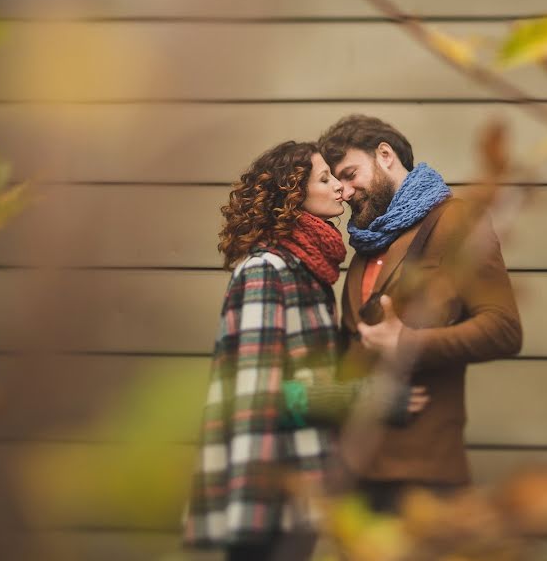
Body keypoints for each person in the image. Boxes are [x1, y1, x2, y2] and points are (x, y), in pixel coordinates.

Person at [182, 141, 428, 561]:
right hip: (265, 496)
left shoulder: (307, 270)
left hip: (295, 490)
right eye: (325, 179)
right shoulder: (266, 271)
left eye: (336, 177)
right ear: (292, 196)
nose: (340, 189)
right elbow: (262, 396)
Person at [318, 115, 523, 513]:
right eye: (335, 181)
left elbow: (504, 329)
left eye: (350, 174)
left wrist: (406, 341)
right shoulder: (365, 243)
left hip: (424, 477)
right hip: (355, 472)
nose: (343, 191)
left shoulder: (457, 221)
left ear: (385, 155)